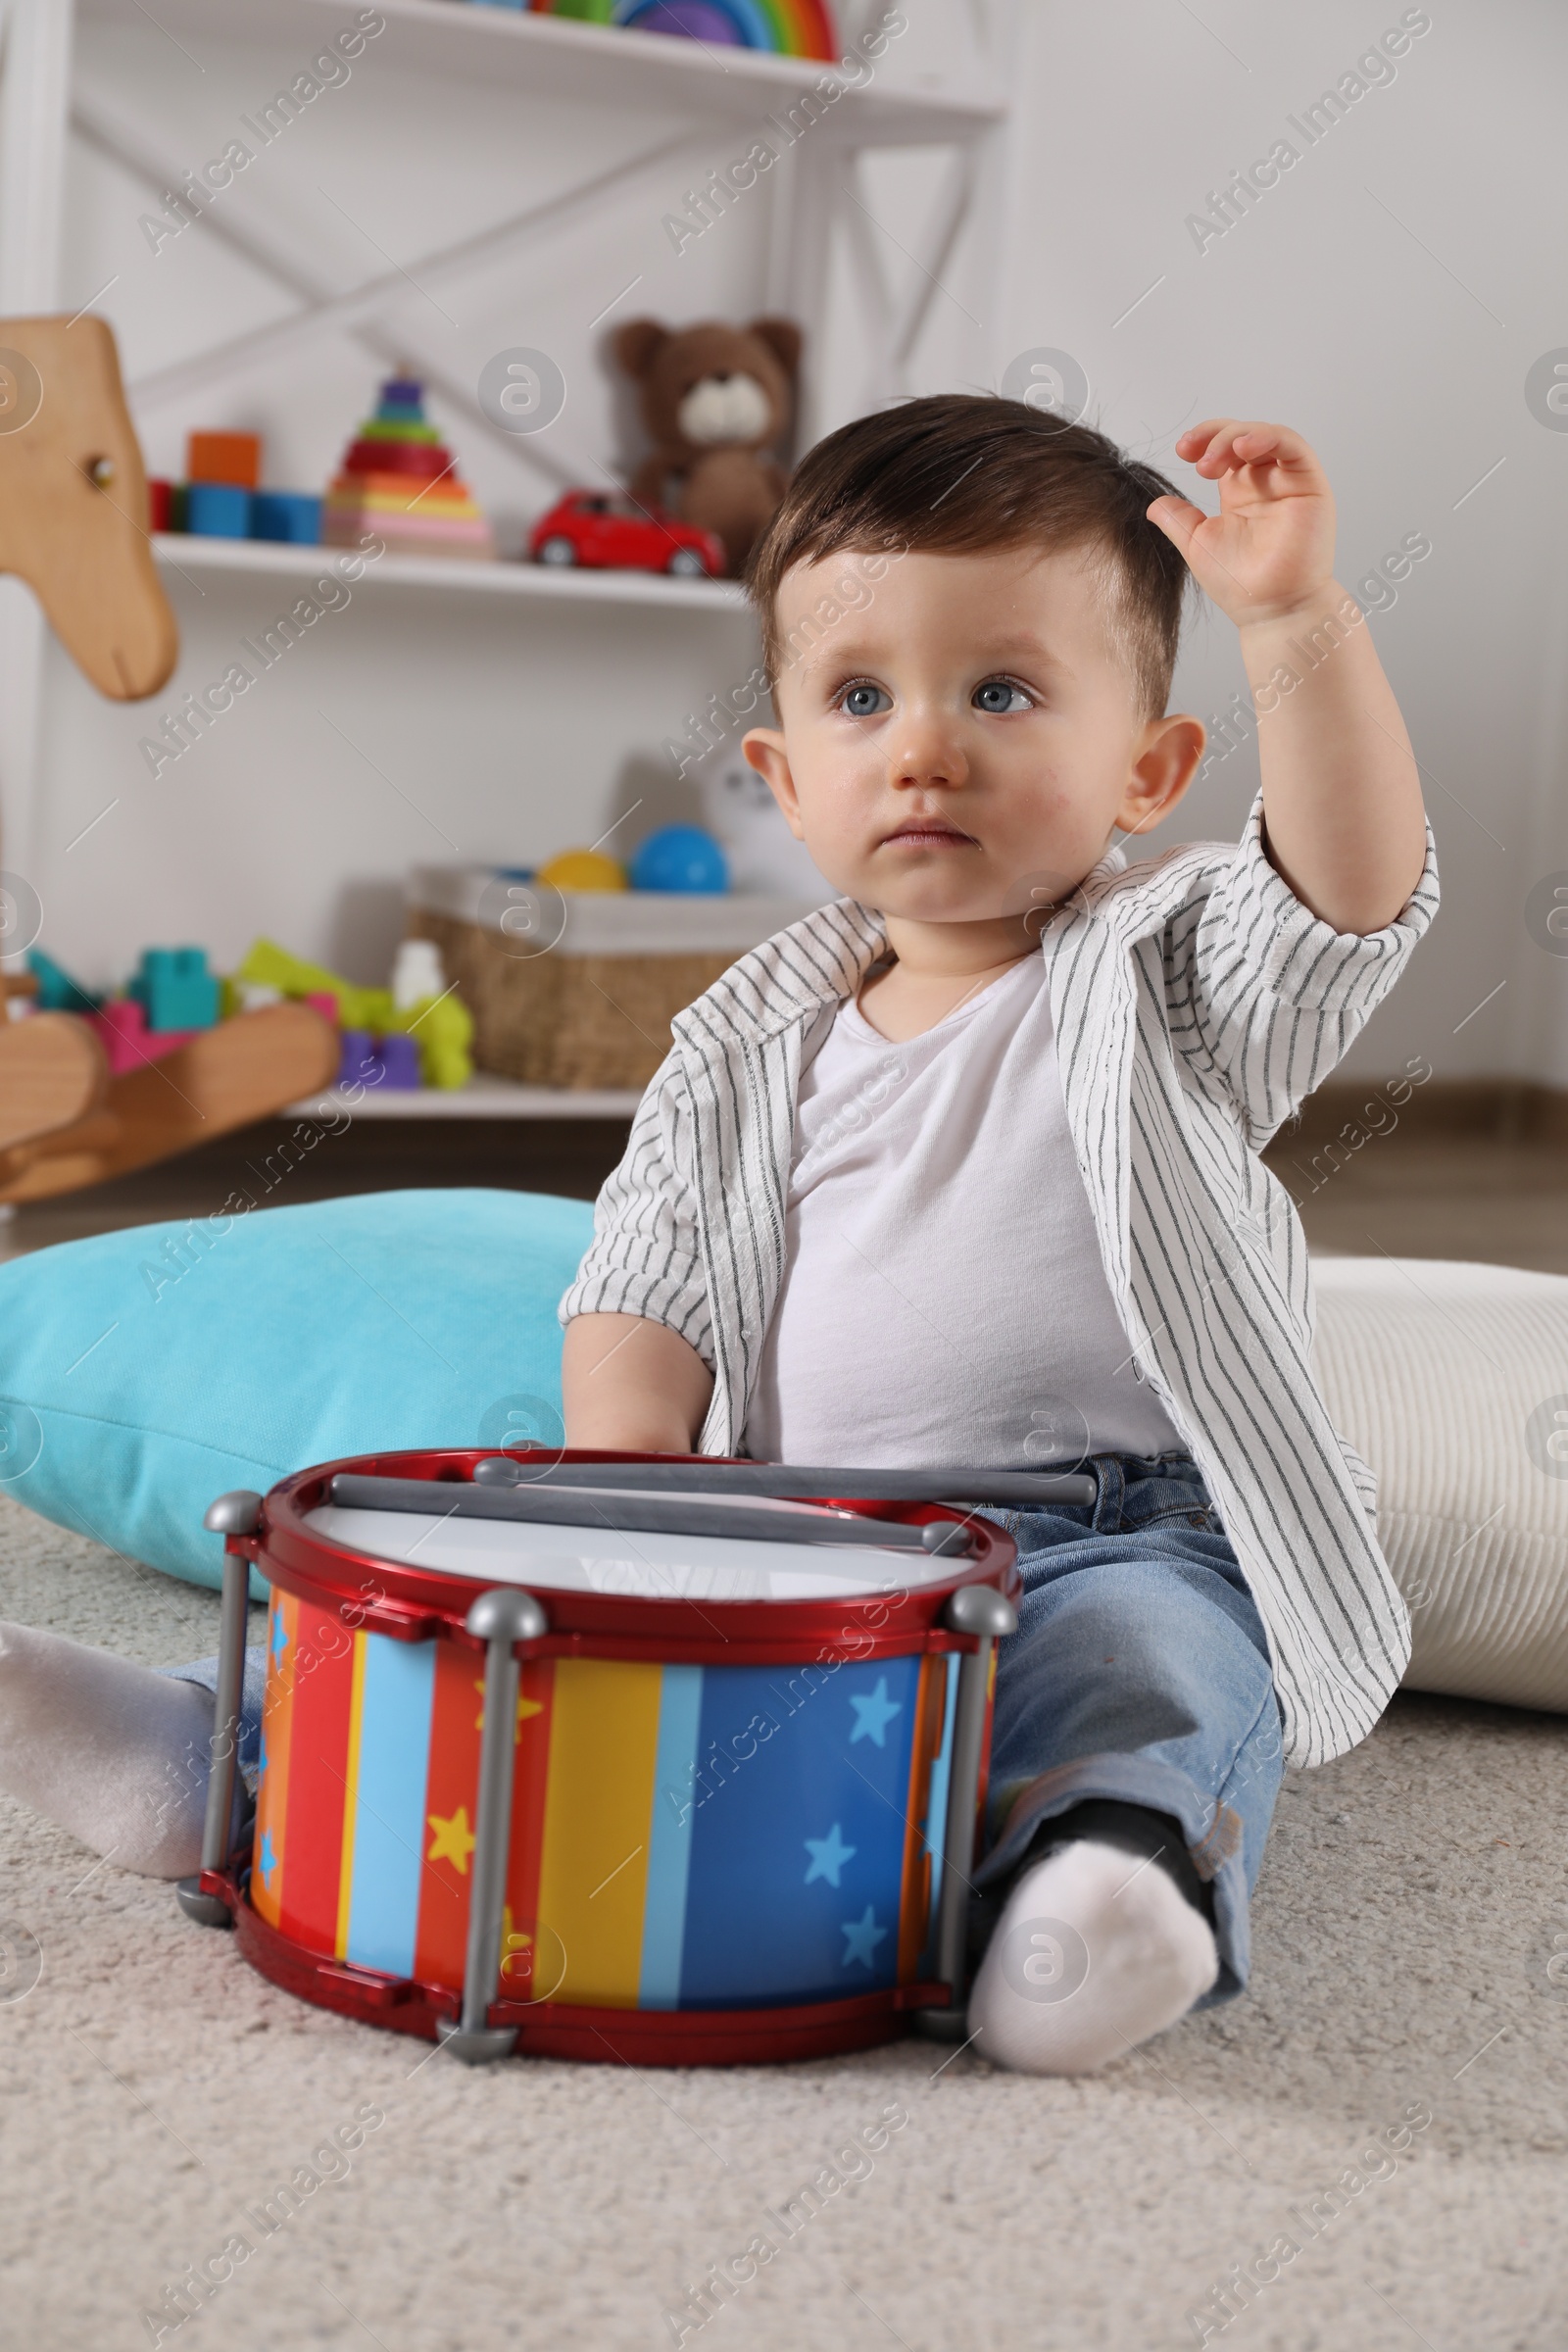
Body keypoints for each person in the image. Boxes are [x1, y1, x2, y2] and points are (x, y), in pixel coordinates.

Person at [556, 395, 1437, 2074]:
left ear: (1148, 772)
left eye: (1005, 692)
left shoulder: (1164, 973)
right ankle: (227, 1755)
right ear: (784, 774)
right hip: (826, 1542)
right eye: (861, 697)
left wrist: (1293, 621)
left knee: (1149, 1679)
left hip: (1127, 1529)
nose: (925, 747)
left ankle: (1101, 1896)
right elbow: (645, 1272)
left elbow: (1349, 895)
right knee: (574, 1649)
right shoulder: (742, 1040)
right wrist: (631, 1484)